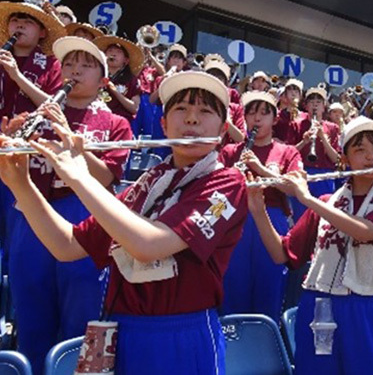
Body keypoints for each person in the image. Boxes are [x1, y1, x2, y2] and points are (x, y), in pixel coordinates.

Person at [0, 70, 247, 374]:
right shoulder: (146, 184)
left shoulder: (227, 182)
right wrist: (20, 184)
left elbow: (149, 244)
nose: (192, 119)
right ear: (163, 123)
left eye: (205, 111)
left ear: (222, 131)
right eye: (181, 109)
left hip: (182, 336)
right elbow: (66, 245)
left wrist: (77, 175)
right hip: (125, 330)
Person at [2, 36, 132, 374]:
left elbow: (106, 178)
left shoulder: (116, 124)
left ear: (104, 80)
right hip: (32, 213)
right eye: (69, 64)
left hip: (83, 212)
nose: (75, 70)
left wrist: (73, 148)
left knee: (82, 312)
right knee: (31, 308)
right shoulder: (32, 116)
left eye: (86, 65)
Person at [248, 116, 373, 374]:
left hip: (367, 307)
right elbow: (282, 254)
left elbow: (368, 232)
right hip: (319, 306)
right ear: (344, 159)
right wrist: (258, 211)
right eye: (360, 150)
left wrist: (306, 198)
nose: (371, 157)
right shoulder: (327, 202)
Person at [219, 91, 302, 321]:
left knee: (270, 287)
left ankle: (265, 345)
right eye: (252, 113)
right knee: (234, 285)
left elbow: (295, 189)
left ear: (275, 119)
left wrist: (262, 170)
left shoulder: (287, 151)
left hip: (272, 220)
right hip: (236, 221)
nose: (257, 119)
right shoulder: (230, 152)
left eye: (264, 113)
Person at [0, 2, 66, 120]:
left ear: (42, 33)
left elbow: (55, 108)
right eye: (14, 20)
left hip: (27, 135)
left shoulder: (52, 65)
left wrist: (17, 76)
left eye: (28, 22)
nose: (20, 26)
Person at [292, 85, 341, 220]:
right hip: (302, 173)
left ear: (324, 107)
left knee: (324, 217)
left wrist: (323, 139)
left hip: (325, 175)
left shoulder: (332, 127)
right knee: (300, 218)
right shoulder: (297, 125)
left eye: (318, 102)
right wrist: (304, 142)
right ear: (306, 106)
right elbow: (289, 154)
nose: (315, 105)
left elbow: (336, 159)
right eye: (311, 101)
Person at [94, 35, 144, 123]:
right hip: (96, 120)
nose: (113, 54)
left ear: (126, 60)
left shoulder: (132, 80)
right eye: (110, 51)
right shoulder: (95, 75)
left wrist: (114, 91)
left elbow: (134, 108)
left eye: (118, 52)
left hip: (121, 123)